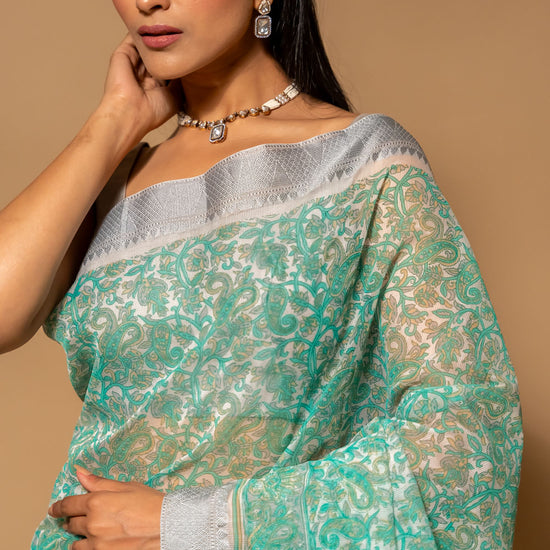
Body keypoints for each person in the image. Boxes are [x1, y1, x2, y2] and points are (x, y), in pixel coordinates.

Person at [0, 0, 522, 548]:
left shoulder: (364, 165)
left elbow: (465, 437)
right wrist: (113, 122)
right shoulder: (110, 182)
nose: (147, 0)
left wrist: (188, 524)